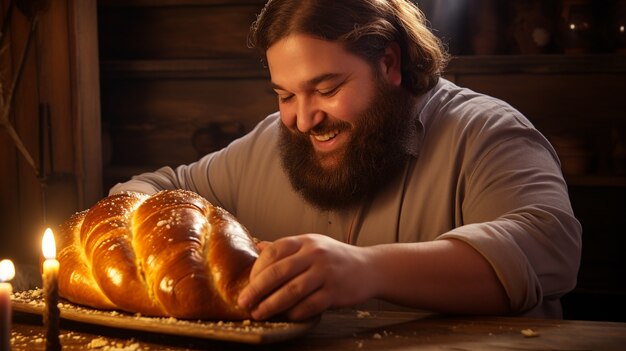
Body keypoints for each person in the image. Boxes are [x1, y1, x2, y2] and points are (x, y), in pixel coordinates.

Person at [110, 0, 582, 321]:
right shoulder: (271, 140)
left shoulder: (487, 131)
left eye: (327, 89)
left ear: (390, 64)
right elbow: (151, 187)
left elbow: (550, 248)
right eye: (285, 95)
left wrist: (366, 270)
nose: (302, 118)